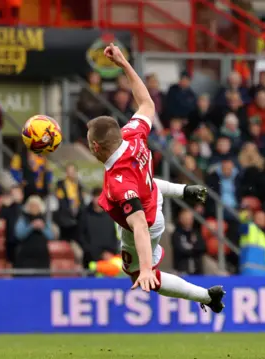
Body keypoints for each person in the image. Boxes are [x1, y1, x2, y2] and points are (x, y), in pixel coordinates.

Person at [86, 43, 225, 313]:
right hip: (152, 198)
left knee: (137, 273)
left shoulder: (119, 181)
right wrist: (124, 64)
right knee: (144, 188)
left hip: (145, 223)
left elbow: (137, 224)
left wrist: (147, 269)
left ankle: (207, 297)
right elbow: (147, 103)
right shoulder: (132, 134)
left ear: (96, 148)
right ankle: (182, 191)